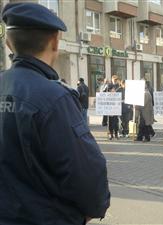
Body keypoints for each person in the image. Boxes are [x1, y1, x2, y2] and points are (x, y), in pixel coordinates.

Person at [0, 3, 110, 225]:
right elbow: (86, 171)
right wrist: (93, 208)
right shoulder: (54, 98)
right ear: (55, 41)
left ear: (9, 42)